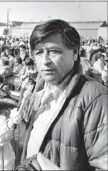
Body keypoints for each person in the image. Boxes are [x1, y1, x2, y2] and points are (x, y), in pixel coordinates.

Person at [19, 19, 107, 170]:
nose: (45, 61)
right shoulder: (39, 90)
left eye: (54, 51)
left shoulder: (96, 99)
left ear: (74, 53)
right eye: (39, 52)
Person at [0, 101, 23, 170]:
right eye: (6, 112)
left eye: (11, 113)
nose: (9, 116)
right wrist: (11, 122)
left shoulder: (15, 133)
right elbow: (1, 139)